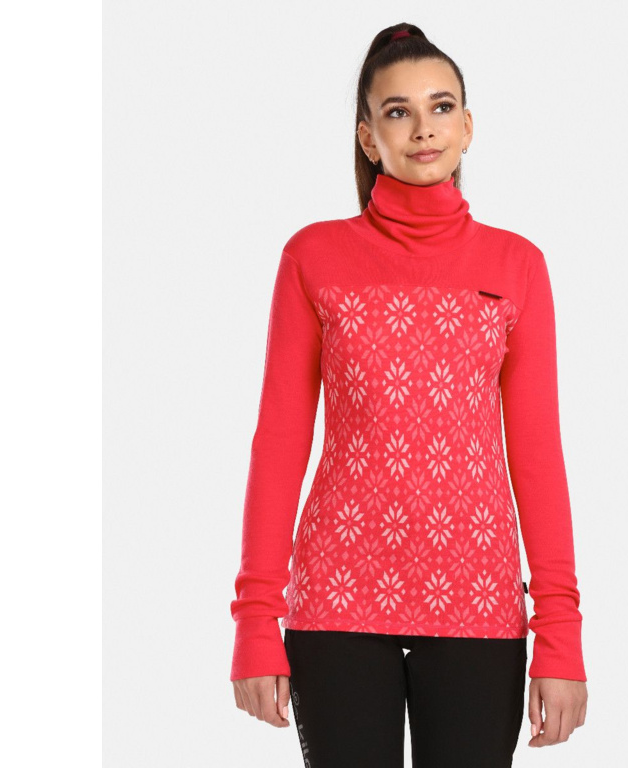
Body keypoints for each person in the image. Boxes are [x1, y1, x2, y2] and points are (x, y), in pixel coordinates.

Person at [229, 23, 589, 767]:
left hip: (478, 603)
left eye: (440, 106)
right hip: (336, 602)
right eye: (397, 111)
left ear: (467, 126)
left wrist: (561, 635)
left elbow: (537, 454)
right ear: (368, 137)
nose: (423, 127)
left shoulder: (517, 265)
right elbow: (280, 440)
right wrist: (255, 619)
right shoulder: (313, 256)